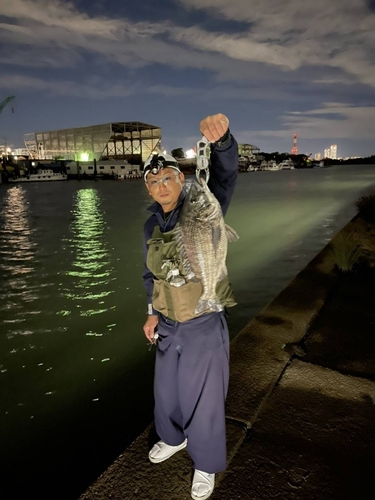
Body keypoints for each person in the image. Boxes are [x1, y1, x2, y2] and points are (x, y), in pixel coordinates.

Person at [142, 113, 238, 500]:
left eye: (167, 178)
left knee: (205, 398)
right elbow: (149, 274)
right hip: (167, 322)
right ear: (147, 189)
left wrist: (224, 143)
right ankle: (172, 437)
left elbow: (225, 177)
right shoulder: (150, 225)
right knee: (166, 392)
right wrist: (150, 312)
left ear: (181, 179)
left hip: (203, 319)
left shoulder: (201, 205)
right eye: (153, 181)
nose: (161, 186)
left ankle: (206, 462)